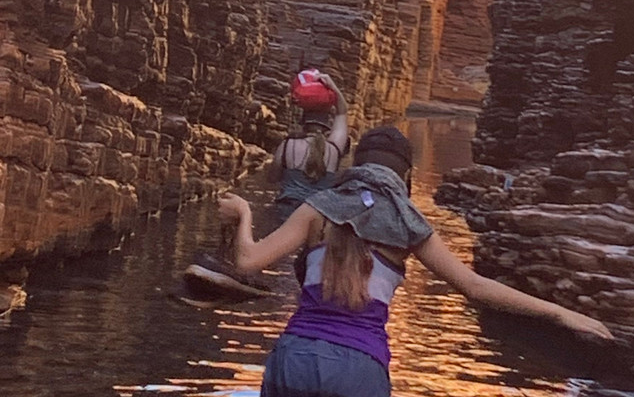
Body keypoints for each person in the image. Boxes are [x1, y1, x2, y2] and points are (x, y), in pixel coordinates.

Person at [218, 125, 613, 397]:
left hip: (296, 357)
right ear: (405, 177)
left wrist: (243, 213)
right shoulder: (411, 225)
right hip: (359, 369)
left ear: (356, 165)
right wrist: (559, 313)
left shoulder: (318, 208)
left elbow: (247, 261)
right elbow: (476, 288)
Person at [269, 71, 349, 219]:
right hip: (319, 218)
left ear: (302, 117)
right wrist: (332, 86)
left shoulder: (287, 146)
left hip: (286, 216)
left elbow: (272, 178)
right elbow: (342, 112)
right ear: (328, 121)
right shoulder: (335, 149)